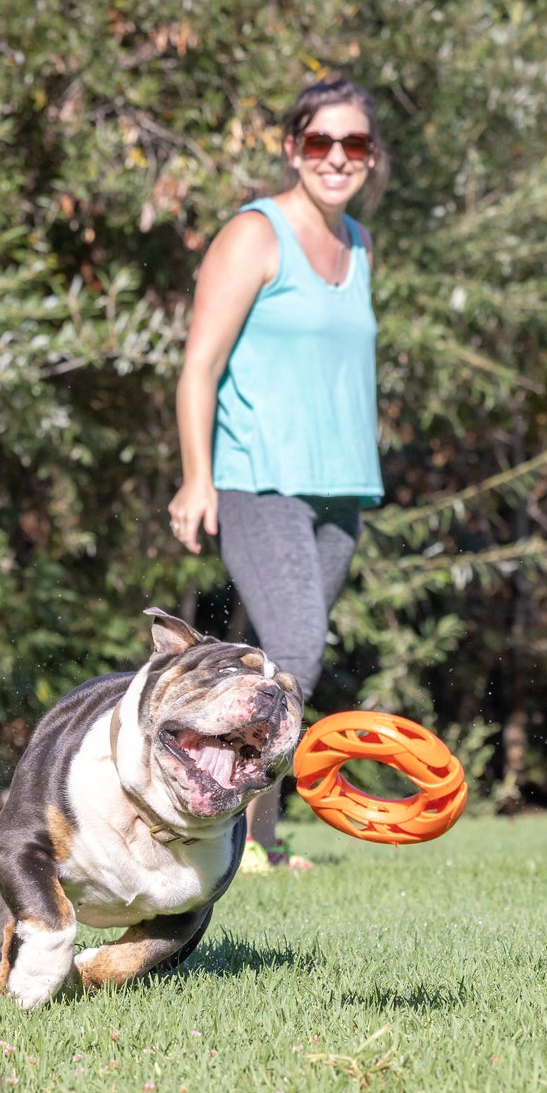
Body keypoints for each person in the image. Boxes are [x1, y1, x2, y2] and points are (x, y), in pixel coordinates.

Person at [166, 76, 389, 873]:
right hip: (260, 481)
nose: (337, 157)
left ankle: (251, 838)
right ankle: (213, 824)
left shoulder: (358, 244)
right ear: (294, 148)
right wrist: (199, 479)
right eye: (320, 142)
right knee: (294, 650)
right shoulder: (255, 235)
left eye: (354, 144)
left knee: (272, 660)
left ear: (370, 156)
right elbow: (199, 367)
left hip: (340, 491)